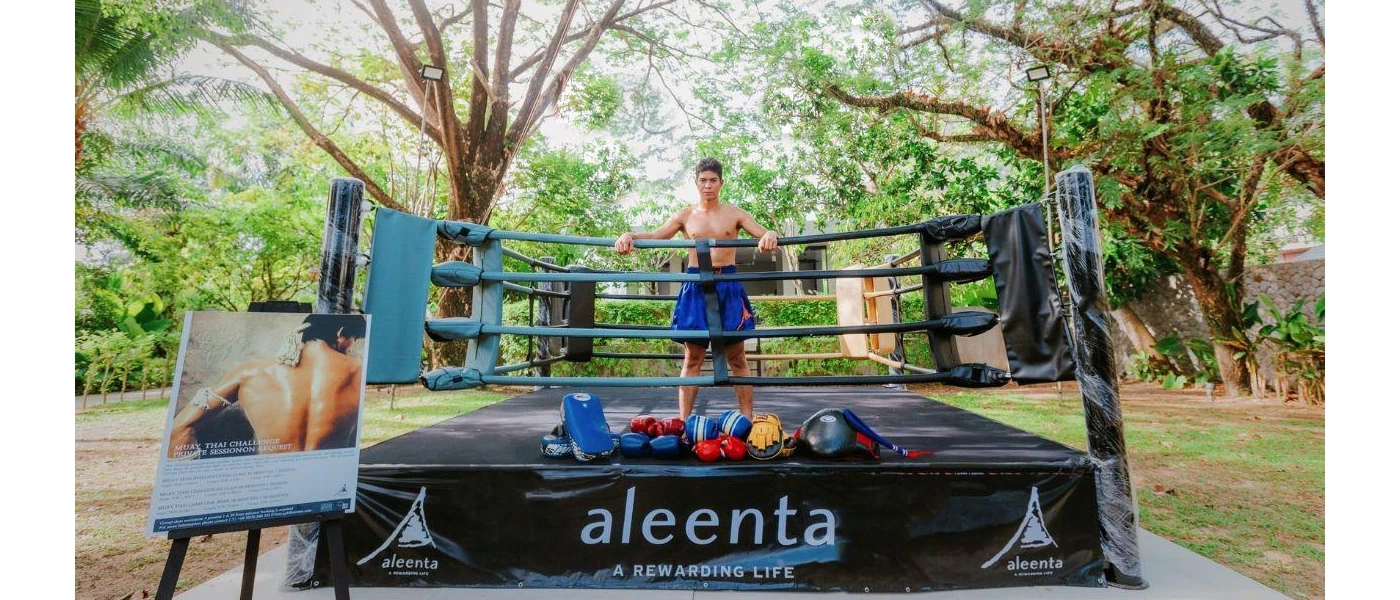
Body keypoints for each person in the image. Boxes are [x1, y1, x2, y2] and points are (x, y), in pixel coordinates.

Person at [614, 157, 778, 420]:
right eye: (703, 180)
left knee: (737, 358)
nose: (708, 185)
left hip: (728, 284)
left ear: (721, 183)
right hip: (695, 284)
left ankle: (746, 420)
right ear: (696, 183)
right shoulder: (686, 215)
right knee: (693, 359)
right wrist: (629, 235)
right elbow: (657, 236)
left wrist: (770, 233)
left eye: (713, 180)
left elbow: (764, 233)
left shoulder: (735, 213)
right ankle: (682, 423)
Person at [168, 314, 366, 458]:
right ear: (341, 332)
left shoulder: (250, 372)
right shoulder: (359, 370)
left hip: (271, 488)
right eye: (354, 340)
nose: (351, 348)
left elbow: (179, 427)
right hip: (327, 487)